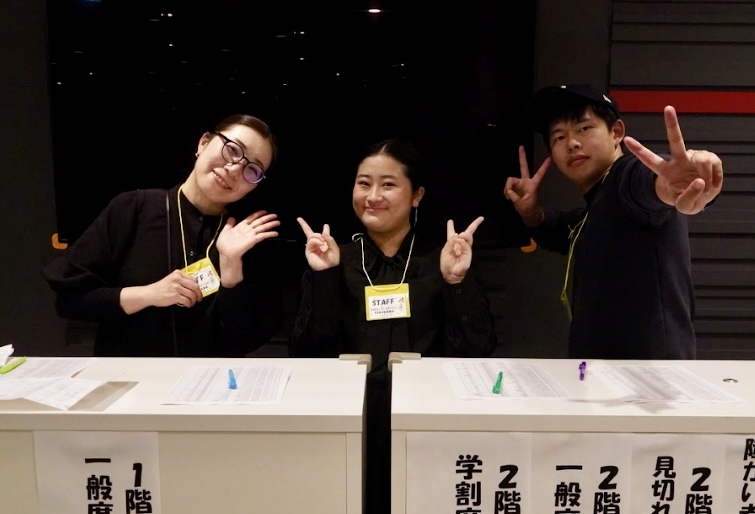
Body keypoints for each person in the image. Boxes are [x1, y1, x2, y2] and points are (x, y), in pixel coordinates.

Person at [290, 138, 498, 514]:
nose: (372, 196)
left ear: (416, 195)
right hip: (349, 422)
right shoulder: (335, 258)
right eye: (363, 183)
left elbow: (477, 350)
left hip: (425, 422)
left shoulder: (442, 259)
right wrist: (324, 278)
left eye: (388, 184)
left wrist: (456, 282)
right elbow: (307, 354)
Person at [504, 84, 724, 359]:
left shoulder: (624, 178)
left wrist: (675, 185)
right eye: (559, 137)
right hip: (603, 375)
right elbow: (561, 229)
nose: (572, 143)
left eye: (584, 128)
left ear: (616, 132)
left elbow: (645, 183)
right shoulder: (595, 208)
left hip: (650, 379)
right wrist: (531, 213)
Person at [43, 114, 285, 357]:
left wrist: (231, 267)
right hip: (131, 377)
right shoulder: (132, 209)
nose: (234, 169)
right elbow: (70, 301)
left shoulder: (249, 240)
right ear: (203, 143)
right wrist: (149, 294)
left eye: (252, 170)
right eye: (232, 150)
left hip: (209, 380)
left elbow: (243, 342)